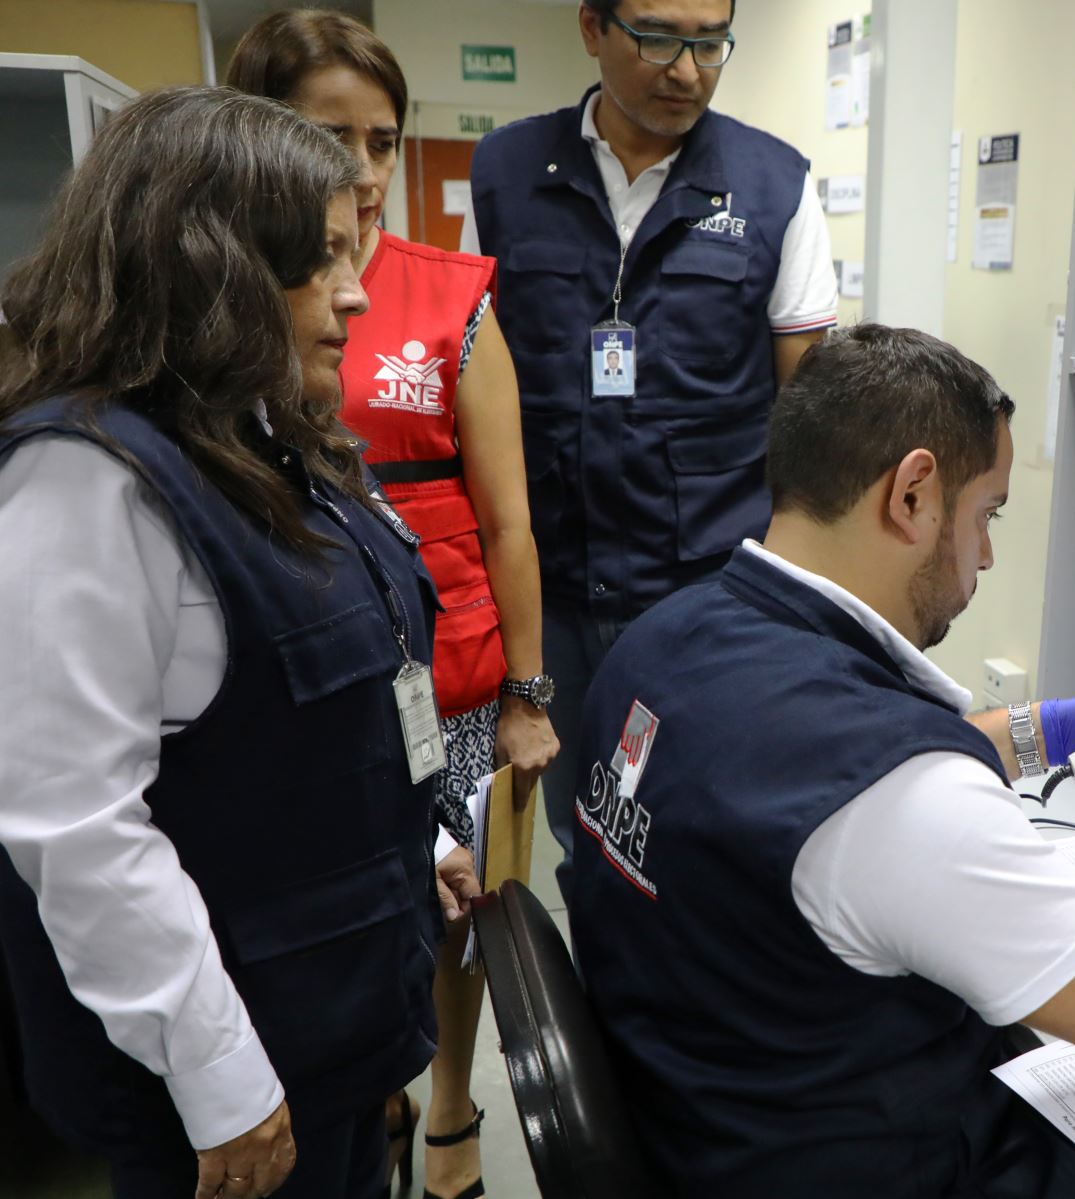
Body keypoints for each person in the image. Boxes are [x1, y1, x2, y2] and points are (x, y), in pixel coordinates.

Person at [569, 325, 1075, 1195]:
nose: (988, 554)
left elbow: (764, 774)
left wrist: (1034, 734)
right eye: (987, 513)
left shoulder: (657, 643)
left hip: (706, 1115)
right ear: (914, 495)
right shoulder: (902, 798)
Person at [0, 87, 479, 1199]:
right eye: (319, 261)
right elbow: (75, 826)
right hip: (234, 1081)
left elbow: (329, 703)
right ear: (210, 269)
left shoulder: (273, 433)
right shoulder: (85, 482)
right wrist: (223, 1078)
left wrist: (420, 842)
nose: (358, 295)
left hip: (341, 1022)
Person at [227, 13, 557, 1198]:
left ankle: (454, 1101)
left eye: (382, 140)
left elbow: (513, 519)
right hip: (301, 684)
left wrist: (525, 693)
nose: (363, 173)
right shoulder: (224, 303)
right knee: (348, 913)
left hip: (451, 681)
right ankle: (374, 1088)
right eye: (331, 138)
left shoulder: (452, 296)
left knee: (455, 911)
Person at [464, 0, 840, 899]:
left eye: (711, 44)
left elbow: (815, 424)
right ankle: (607, 1018)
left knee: (712, 826)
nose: (687, 70)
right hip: (548, 589)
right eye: (660, 38)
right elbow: (471, 381)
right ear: (592, 27)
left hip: (705, 591)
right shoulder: (508, 173)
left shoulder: (774, 184)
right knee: (584, 833)